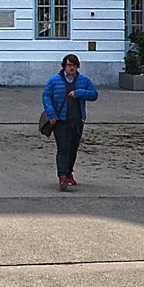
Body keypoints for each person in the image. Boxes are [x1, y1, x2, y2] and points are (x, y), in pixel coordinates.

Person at [42, 53, 98, 192]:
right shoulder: (55, 80)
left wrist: (79, 93)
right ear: (64, 66)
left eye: (73, 65)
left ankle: (69, 173)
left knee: (73, 148)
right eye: (68, 65)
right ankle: (62, 176)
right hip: (60, 120)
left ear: (77, 66)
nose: (71, 68)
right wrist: (51, 114)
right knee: (63, 147)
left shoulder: (84, 80)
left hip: (77, 120)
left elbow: (94, 94)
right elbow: (46, 96)